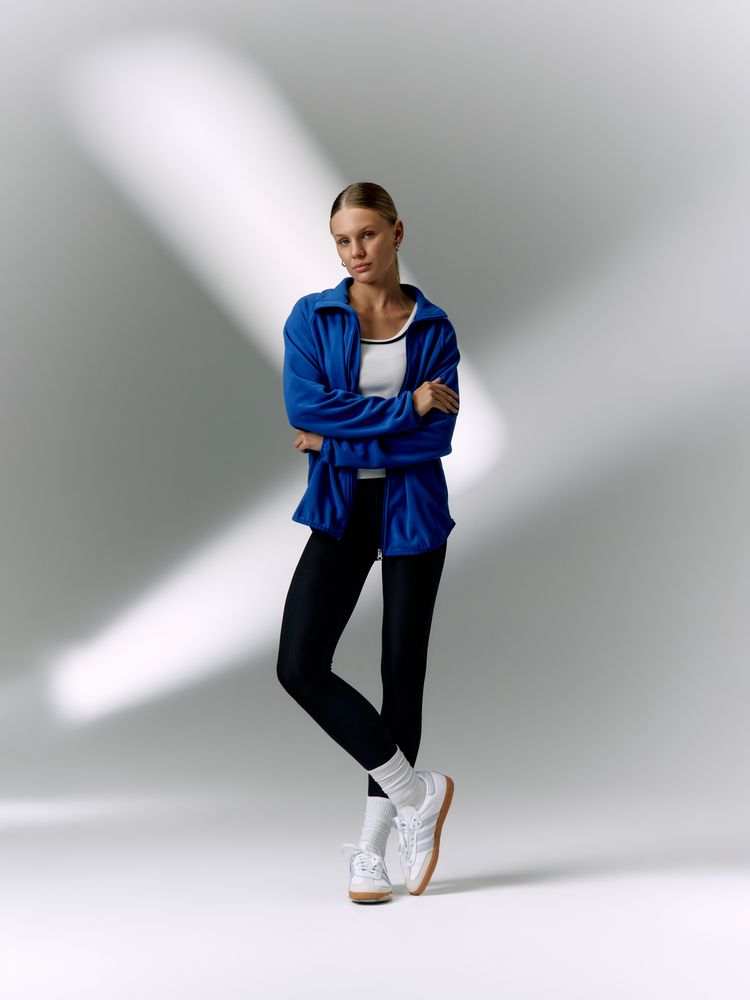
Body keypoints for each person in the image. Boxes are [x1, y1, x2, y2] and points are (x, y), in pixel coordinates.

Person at [276, 181, 460, 903]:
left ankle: (373, 853)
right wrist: (403, 406)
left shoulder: (433, 328)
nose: (355, 251)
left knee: (400, 674)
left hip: (413, 508)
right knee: (300, 665)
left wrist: (334, 439)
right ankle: (419, 794)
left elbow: (435, 437)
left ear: (396, 233)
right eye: (342, 241)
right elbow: (305, 405)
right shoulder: (313, 317)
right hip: (343, 505)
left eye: (368, 236)